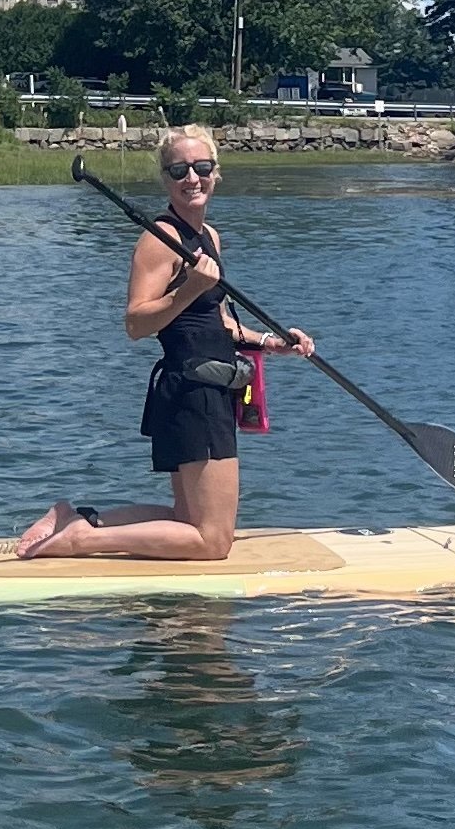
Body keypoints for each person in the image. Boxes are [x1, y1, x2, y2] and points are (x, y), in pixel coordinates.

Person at [18, 127, 315, 562]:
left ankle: (78, 517)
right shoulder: (158, 241)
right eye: (179, 170)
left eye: (201, 167)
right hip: (191, 393)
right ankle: (78, 540)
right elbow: (136, 323)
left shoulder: (208, 237)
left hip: (210, 388)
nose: (191, 178)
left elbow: (218, 322)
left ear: (216, 173)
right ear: (165, 178)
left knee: (186, 518)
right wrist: (189, 288)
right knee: (213, 541)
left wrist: (271, 342)